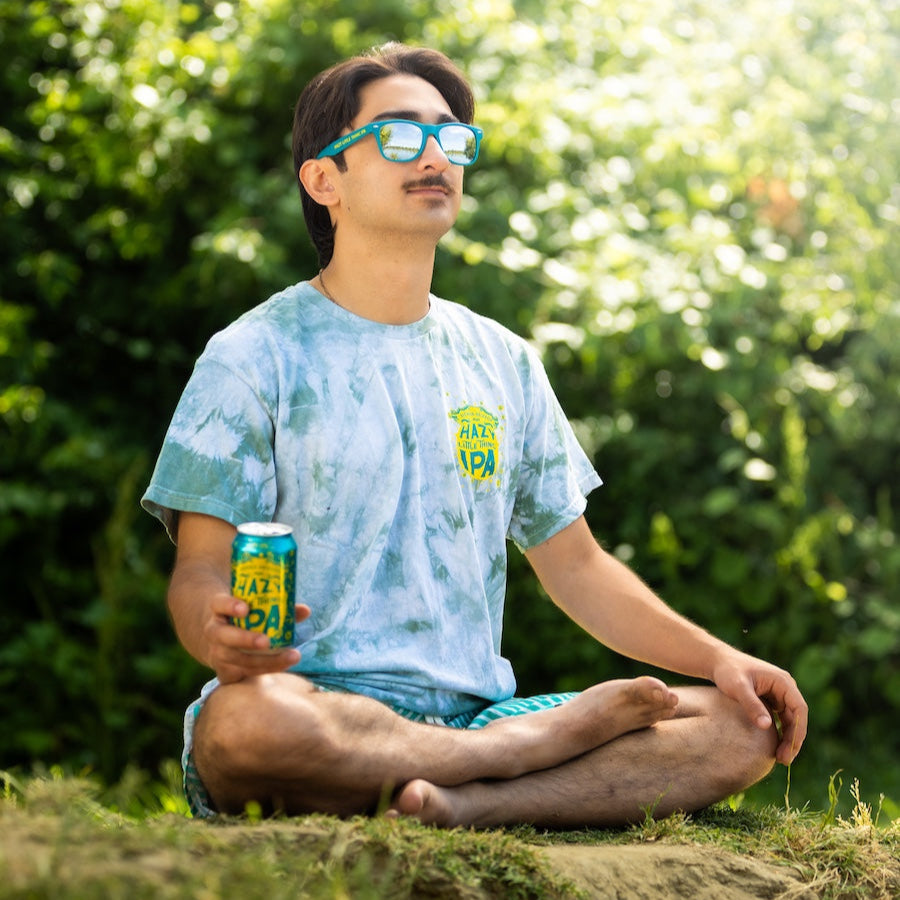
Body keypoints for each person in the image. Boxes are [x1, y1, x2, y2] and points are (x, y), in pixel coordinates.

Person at [141, 42, 807, 828]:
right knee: (241, 725)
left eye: (450, 138)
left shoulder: (504, 362)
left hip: (477, 713)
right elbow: (199, 572)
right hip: (311, 706)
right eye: (398, 135)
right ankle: (510, 762)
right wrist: (216, 633)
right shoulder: (254, 355)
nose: (434, 156)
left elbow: (579, 568)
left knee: (740, 727)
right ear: (325, 180)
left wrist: (722, 660)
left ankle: (460, 799)